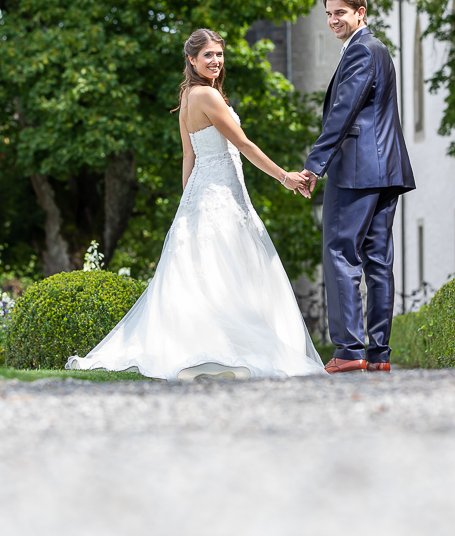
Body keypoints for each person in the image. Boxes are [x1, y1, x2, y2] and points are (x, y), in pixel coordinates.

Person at [66, 28, 326, 381]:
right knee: (229, 270)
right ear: (191, 59)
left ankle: (211, 347)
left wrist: (186, 202)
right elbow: (244, 146)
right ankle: (228, 349)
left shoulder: (187, 97)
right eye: (208, 55)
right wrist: (285, 177)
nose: (216, 61)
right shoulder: (206, 96)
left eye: (219, 55)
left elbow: (188, 158)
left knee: (209, 271)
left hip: (206, 194)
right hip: (219, 195)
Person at [300, 0, 416, 374]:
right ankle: (379, 355)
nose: (333, 20)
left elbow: (343, 113)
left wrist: (315, 165)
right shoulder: (376, 50)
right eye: (329, 14)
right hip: (386, 171)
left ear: (361, 13)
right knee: (378, 261)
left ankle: (349, 349)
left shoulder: (363, 50)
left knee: (340, 252)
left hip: (357, 170)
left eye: (340, 13)